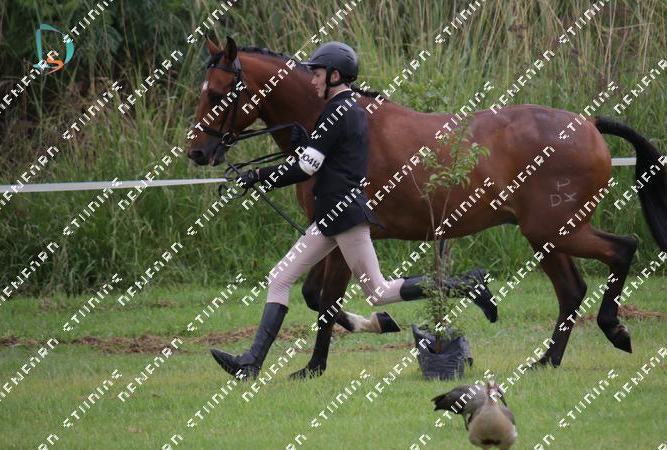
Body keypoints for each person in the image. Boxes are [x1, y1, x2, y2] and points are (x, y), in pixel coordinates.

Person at [210, 41, 497, 380]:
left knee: (377, 292)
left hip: (344, 217)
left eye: (317, 74)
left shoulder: (337, 112)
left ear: (334, 75)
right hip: (332, 217)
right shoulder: (351, 109)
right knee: (281, 278)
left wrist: (258, 176)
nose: (313, 80)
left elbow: (308, 167)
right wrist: (303, 145)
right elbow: (328, 157)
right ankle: (250, 363)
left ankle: (464, 284)